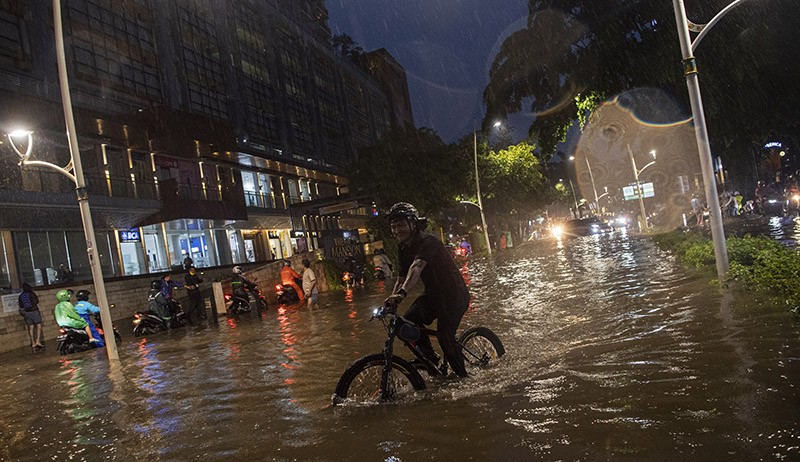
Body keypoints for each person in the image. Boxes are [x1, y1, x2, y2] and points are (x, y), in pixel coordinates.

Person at [383, 202, 469, 378]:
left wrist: (402, 294)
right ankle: (431, 359)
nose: (396, 230)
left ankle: (464, 380)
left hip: (454, 295)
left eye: (400, 225)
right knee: (406, 323)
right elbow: (401, 277)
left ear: (413, 223)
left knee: (445, 338)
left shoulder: (429, 242)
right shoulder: (402, 247)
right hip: (433, 295)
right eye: (393, 227)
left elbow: (416, 267)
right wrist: (392, 300)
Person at [18, 283, 44, 349]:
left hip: (27, 312)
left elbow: (21, 305)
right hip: (34, 311)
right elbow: (36, 301)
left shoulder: (21, 296)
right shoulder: (31, 293)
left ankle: (33, 342)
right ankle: (38, 341)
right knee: (38, 325)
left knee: (31, 327)